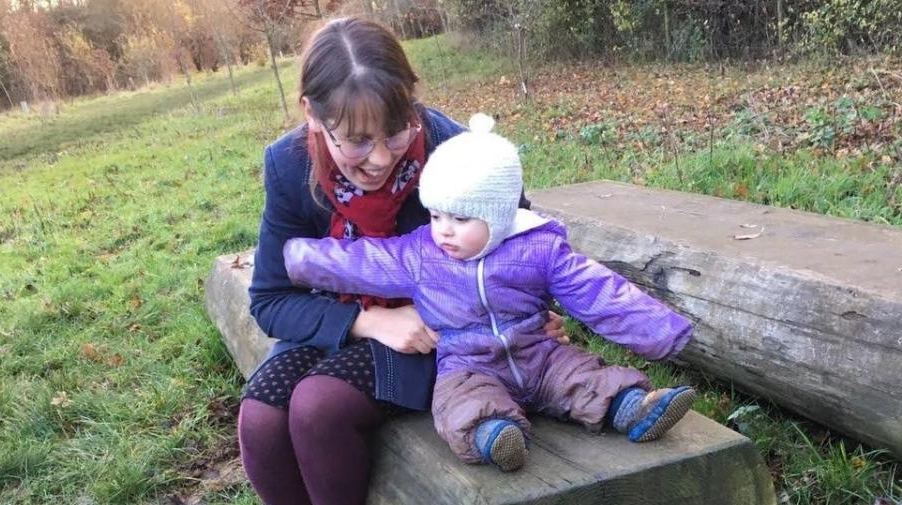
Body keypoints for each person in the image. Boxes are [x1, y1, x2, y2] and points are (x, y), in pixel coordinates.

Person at [238, 18, 566, 505]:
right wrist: (368, 319)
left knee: (317, 407)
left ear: (412, 96)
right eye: (356, 141)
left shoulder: (454, 149)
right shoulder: (288, 168)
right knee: (259, 416)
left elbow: (525, 237)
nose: (383, 157)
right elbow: (270, 300)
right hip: (353, 321)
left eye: (396, 129)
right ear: (312, 114)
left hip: (446, 339)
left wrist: (535, 311)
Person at [283, 113, 696, 474]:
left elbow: (600, 293)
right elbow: (362, 262)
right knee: (460, 402)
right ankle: (496, 436)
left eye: (461, 218)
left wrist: (663, 331)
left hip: (539, 353)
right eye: (436, 213)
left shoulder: (538, 248)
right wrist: (299, 257)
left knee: (581, 376)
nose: (443, 228)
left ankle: (632, 407)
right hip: (467, 362)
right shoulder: (421, 253)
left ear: (498, 216)